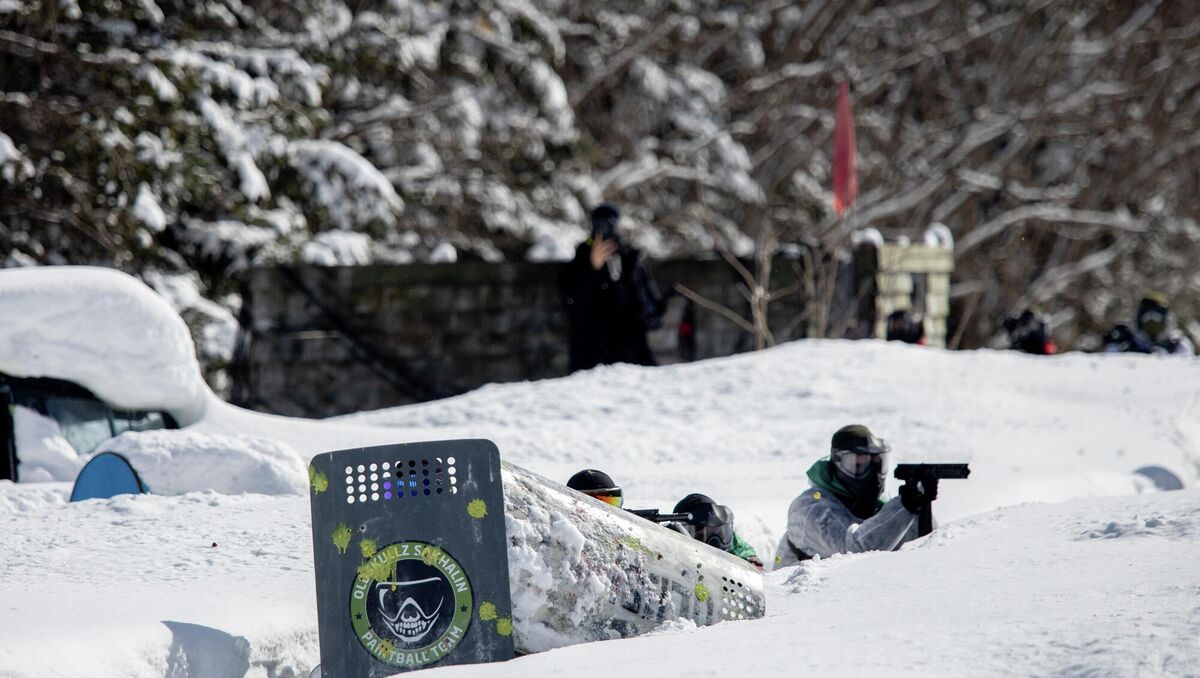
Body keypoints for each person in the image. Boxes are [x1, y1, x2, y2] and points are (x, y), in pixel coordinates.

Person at [774, 425, 932, 567]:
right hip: (802, 595)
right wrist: (903, 507)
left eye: (877, 465)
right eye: (858, 465)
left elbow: (923, 551)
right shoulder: (811, 507)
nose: (871, 475)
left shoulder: (882, 506)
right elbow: (855, 551)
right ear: (837, 463)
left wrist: (920, 509)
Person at [560, 203, 666, 372]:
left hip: (632, 353)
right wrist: (591, 268)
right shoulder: (579, 261)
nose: (604, 231)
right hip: (591, 356)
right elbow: (571, 303)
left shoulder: (631, 260)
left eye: (609, 225)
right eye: (599, 225)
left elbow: (651, 307)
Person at [671, 493, 764, 571]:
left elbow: (741, 550)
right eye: (700, 537)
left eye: (720, 534)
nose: (715, 544)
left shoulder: (734, 544)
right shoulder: (671, 557)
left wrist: (748, 561)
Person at [1103, 293, 1194, 356]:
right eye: (1147, 318)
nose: (1152, 324)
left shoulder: (1178, 345)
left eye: (1158, 318)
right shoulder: (1123, 342)